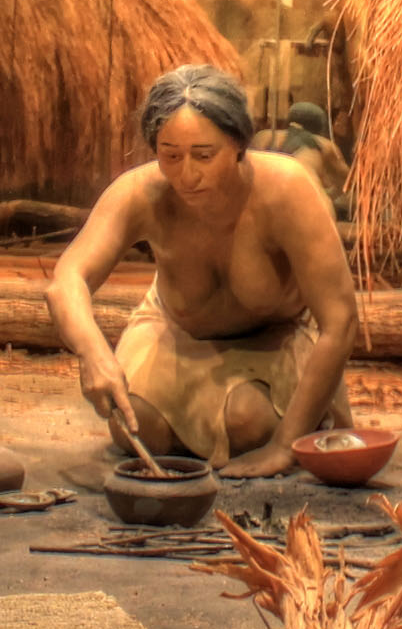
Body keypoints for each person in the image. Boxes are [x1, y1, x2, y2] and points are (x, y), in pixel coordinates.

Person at [46, 65, 360, 477]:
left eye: (204, 156)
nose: (187, 175)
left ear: (239, 145)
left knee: (249, 423)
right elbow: (67, 280)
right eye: (170, 155)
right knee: (135, 424)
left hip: (276, 338)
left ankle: (289, 422)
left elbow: (340, 320)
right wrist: (92, 352)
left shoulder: (287, 190)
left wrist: (284, 447)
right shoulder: (142, 192)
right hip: (174, 331)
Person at [248, 100, 349, 206]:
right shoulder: (324, 145)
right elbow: (346, 181)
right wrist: (325, 195)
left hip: (263, 203)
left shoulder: (264, 136)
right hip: (301, 206)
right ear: (319, 125)